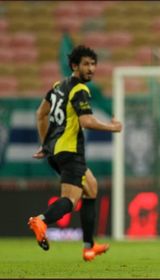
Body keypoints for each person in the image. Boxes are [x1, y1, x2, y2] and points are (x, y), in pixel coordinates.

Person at [29, 45, 122, 262]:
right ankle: (40, 220)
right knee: (70, 200)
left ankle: (89, 246)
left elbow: (40, 113)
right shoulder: (79, 89)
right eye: (86, 64)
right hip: (70, 151)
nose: (91, 68)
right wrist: (112, 127)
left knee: (91, 187)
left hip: (56, 151)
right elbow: (86, 121)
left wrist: (45, 144)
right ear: (74, 66)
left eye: (93, 64)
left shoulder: (58, 86)